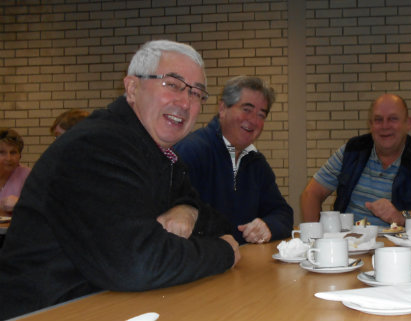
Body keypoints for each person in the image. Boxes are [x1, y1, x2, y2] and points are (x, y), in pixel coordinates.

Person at [0, 40, 241, 320]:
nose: (186, 102)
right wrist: (224, 252)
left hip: (108, 301)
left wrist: (188, 208)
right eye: (173, 85)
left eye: (197, 93)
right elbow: (137, 264)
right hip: (45, 310)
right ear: (132, 88)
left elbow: (218, 223)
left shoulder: (160, 155)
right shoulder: (97, 146)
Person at [174, 75, 293, 245]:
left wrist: (268, 226)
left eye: (261, 115)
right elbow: (174, 220)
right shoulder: (191, 152)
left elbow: (283, 213)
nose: (253, 121)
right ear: (222, 108)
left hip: (244, 265)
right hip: (205, 266)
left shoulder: (256, 162)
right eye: (246, 109)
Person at [301, 93, 411, 226]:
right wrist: (314, 238)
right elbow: (311, 194)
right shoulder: (352, 150)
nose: (385, 126)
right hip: (349, 246)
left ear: (408, 124)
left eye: (393, 119)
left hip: (400, 249)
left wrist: (401, 217)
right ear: (371, 125)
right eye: (378, 120)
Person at [0, 129, 31, 216]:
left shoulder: (27, 175)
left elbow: (41, 205)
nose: (9, 158)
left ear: (20, 155)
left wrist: (22, 203)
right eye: (2, 152)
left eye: (13, 152)